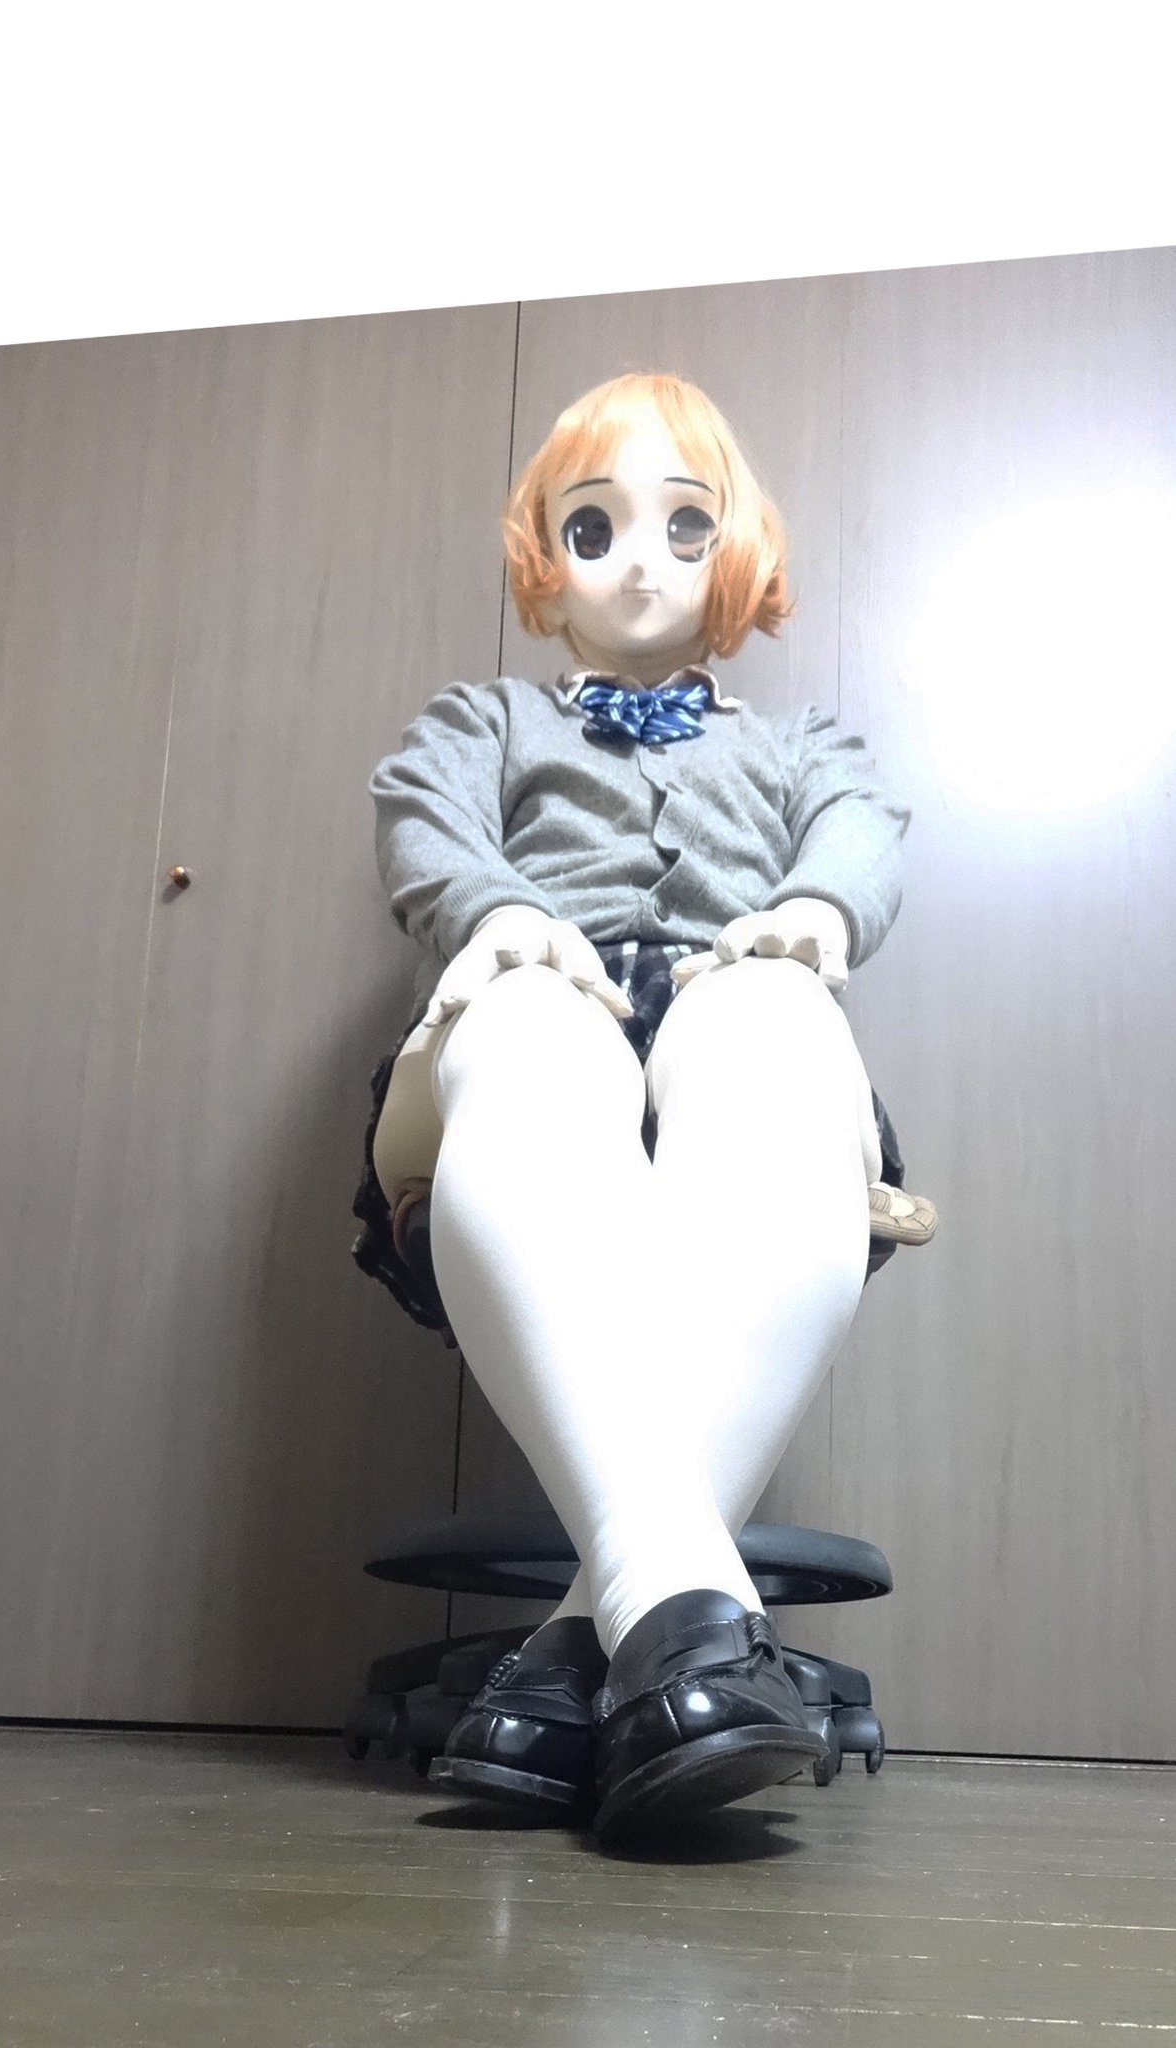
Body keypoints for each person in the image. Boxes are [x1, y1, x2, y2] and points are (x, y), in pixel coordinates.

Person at [351, 372, 926, 1843]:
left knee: (768, 1018)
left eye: (685, 522)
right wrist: (498, 915)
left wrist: (811, 913)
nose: (641, 557)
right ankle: (682, 1614)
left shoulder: (807, 745)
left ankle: (581, 1653)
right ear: (544, 553)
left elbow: (863, 829)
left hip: (737, 1029)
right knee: (534, 1021)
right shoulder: (480, 719)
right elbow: (422, 815)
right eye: (593, 525)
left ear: (737, 545)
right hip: (540, 1030)